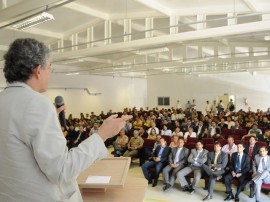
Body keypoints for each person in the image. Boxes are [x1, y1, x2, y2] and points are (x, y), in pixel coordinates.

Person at [0, 38, 132, 202]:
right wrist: (102, 134)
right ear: (38, 70)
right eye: (50, 67)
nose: (50, 73)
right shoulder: (38, 104)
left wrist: (50, 119)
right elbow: (62, 171)